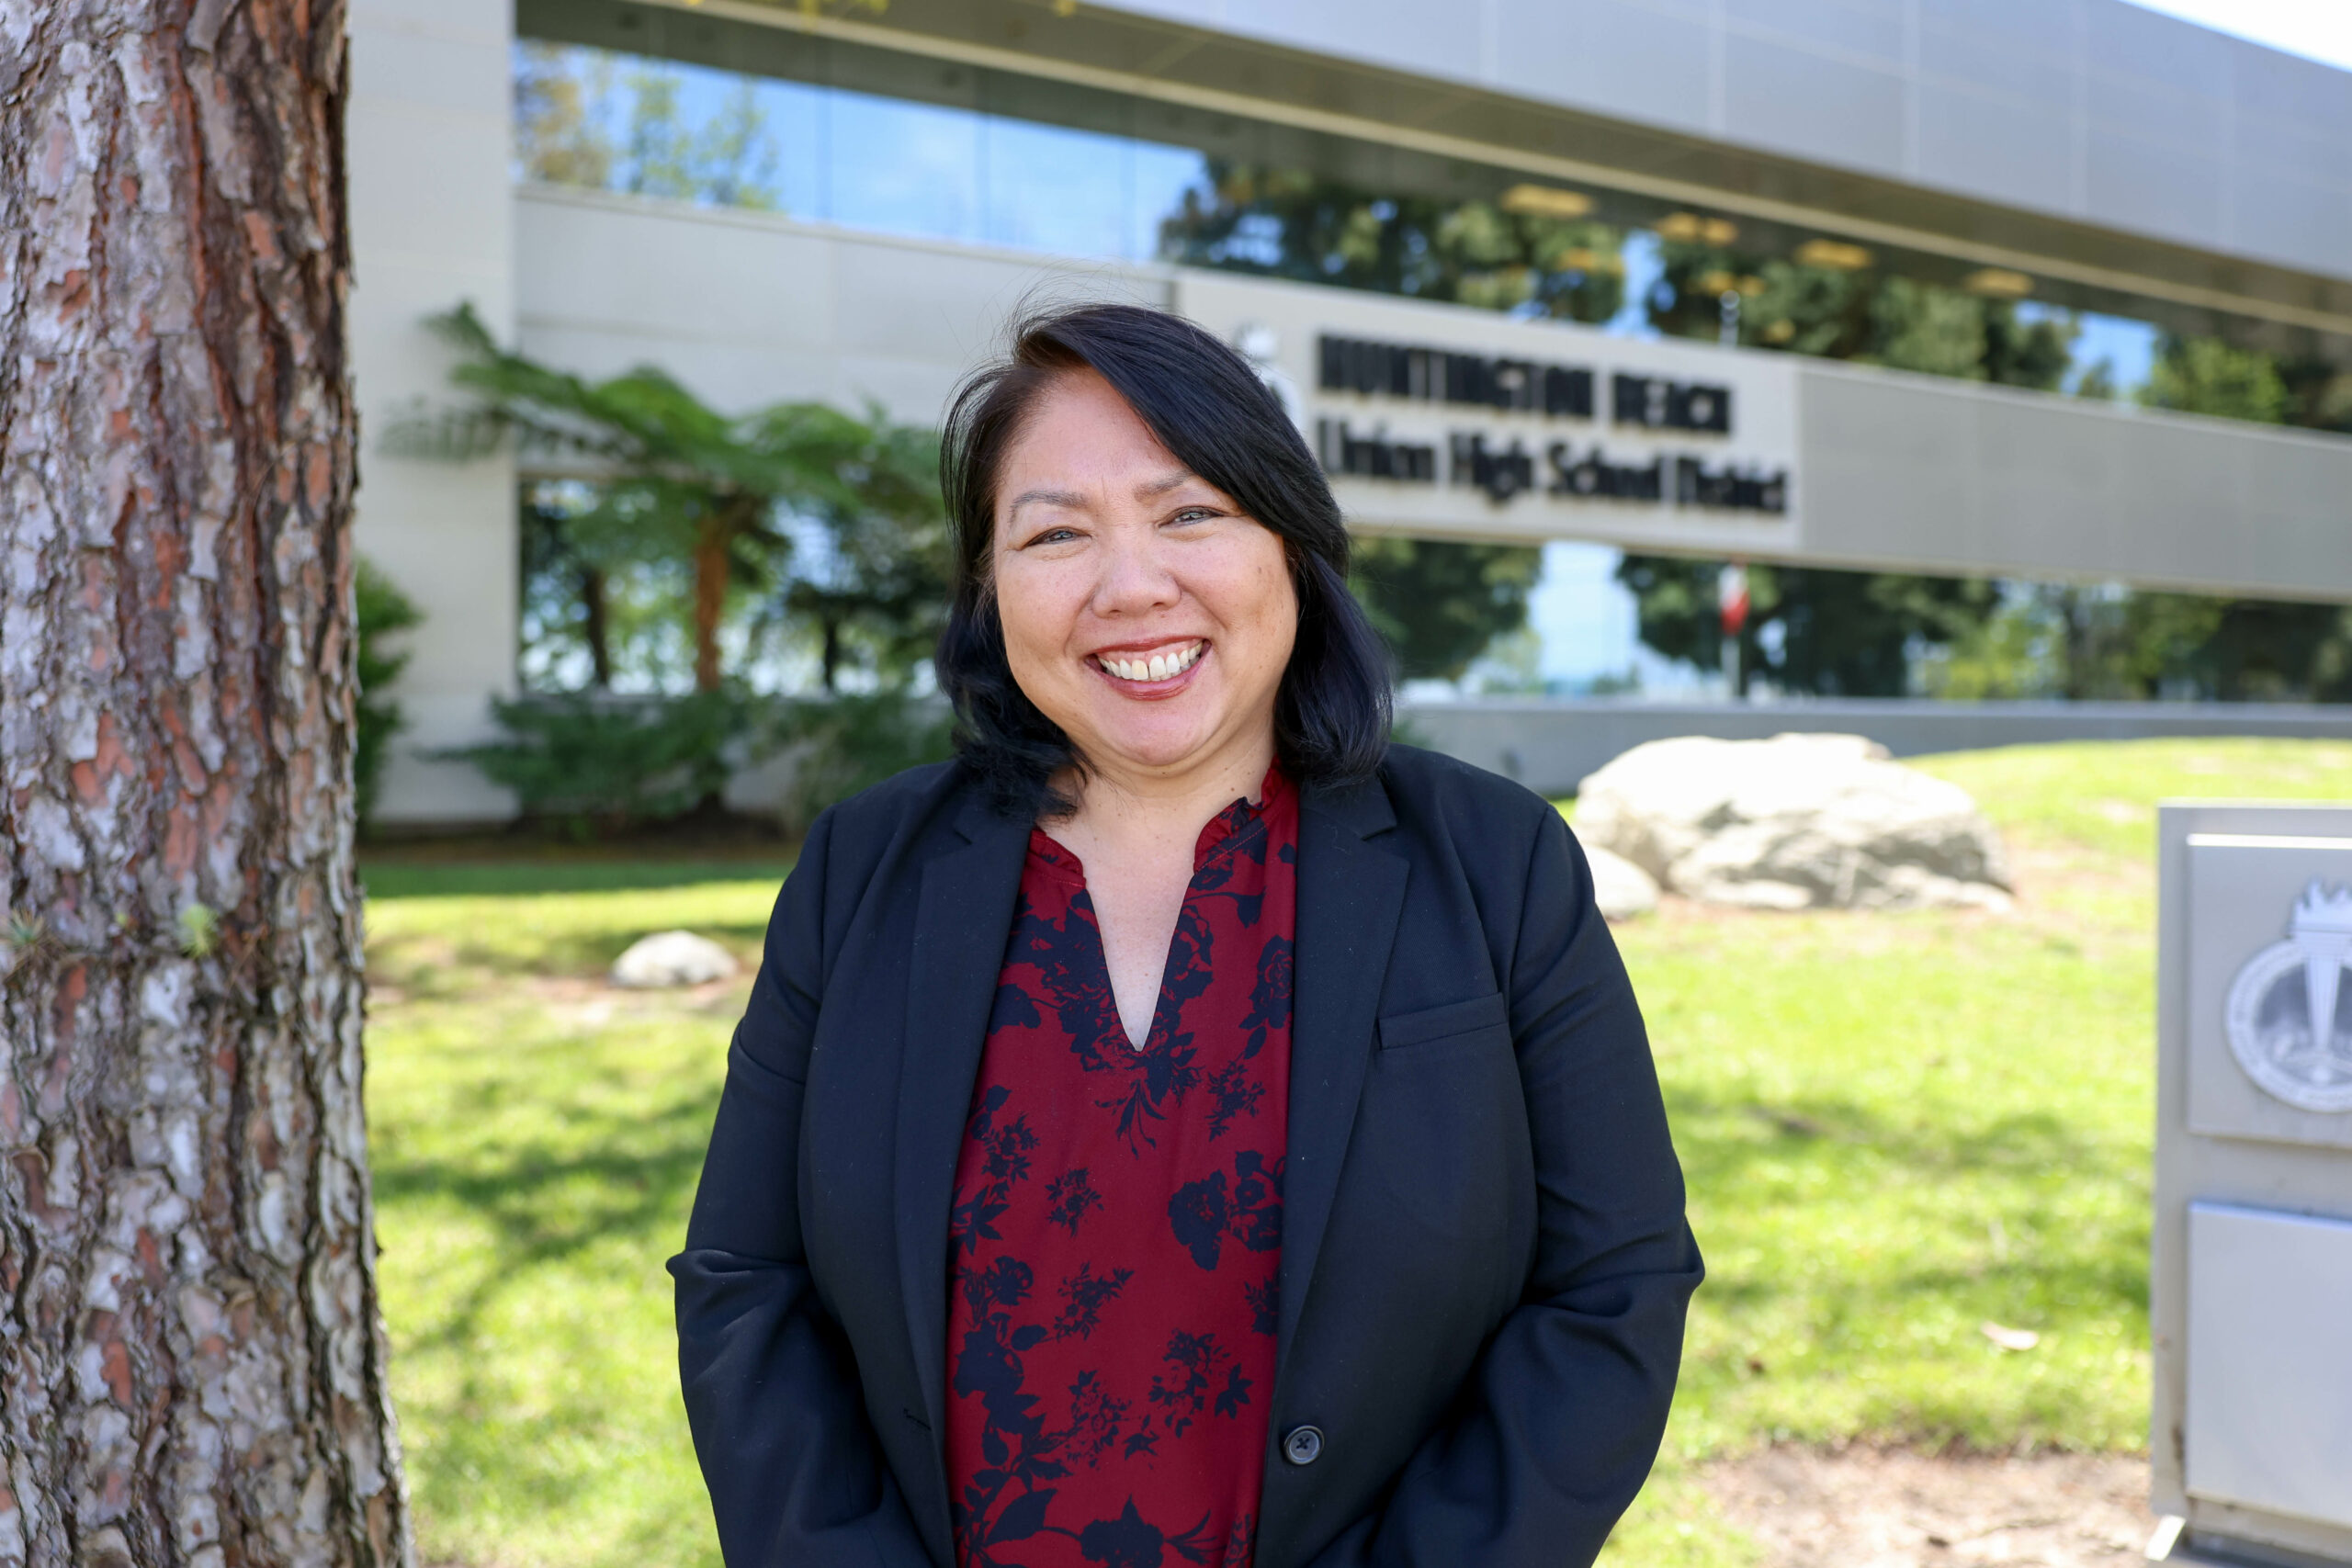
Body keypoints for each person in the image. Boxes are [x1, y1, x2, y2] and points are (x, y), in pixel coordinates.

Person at [670, 302, 1702, 1568]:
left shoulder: (1496, 863)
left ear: (1290, 544)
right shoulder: (861, 872)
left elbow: (1612, 1286)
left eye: (1191, 513)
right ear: (991, 591)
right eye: (1055, 533)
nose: (1131, 586)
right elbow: (746, 1282)